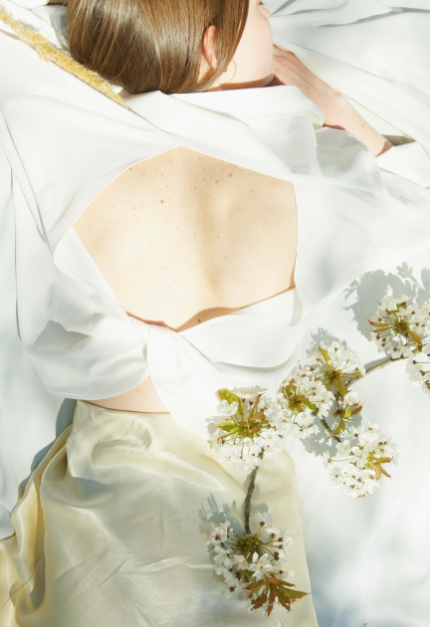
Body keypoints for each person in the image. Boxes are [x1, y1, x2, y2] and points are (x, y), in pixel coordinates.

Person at [0, 0, 430, 625]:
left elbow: (19, 31)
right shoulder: (310, 179)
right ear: (210, 49)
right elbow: (415, 196)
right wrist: (330, 102)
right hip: (239, 500)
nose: (270, 17)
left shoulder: (73, 139)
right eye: (257, 8)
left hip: (114, 481)